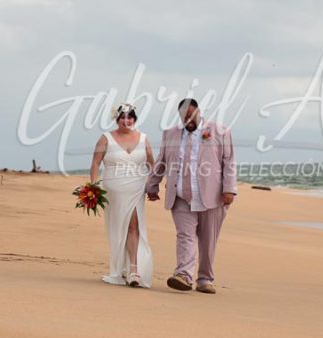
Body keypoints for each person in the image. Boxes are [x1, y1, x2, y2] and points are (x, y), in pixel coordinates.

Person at [145, 98, 237, 294]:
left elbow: (229, 162)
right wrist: (152, 185)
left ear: (199, 112)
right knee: (185, 236)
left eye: (191, 116)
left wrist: (229, 189)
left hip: (212, 196)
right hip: (181, 196)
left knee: (207, 240)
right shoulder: (170, 134)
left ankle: (204, 279)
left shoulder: (220, 132)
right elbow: (162, 161)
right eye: (184, 117)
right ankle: (184, 275)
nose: (188, 120)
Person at [90, 103, 155, 288]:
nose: (126, 121)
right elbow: (96, 163)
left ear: (134, 119)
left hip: (136, 188)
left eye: (130, 117)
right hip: (113, 190)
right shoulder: (106, 138)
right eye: (123, 118)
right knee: (120, 227)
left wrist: (152, 183)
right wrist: (93, 185)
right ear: (117, 120)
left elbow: (152, 163)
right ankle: (122, 268)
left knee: (133, 225)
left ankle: (133, 269)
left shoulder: (143, 138)